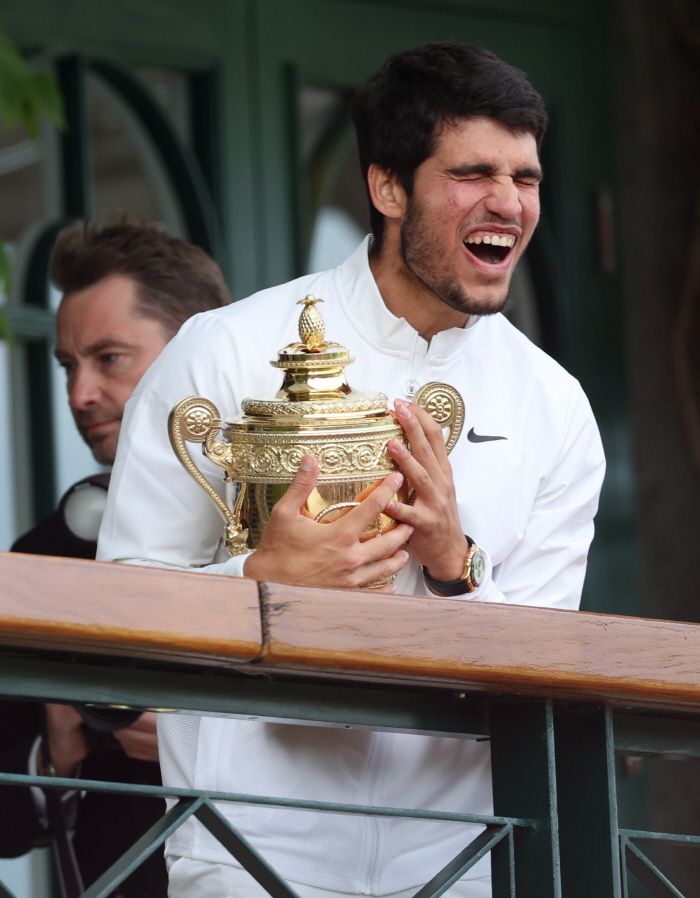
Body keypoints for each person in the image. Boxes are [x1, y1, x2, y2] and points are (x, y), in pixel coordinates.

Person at [98, 44, 606, 898]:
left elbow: (545, 669)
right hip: (244, 849)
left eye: (526, 177)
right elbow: (123, 601)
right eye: (473, 173)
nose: (509, 204)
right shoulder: (225, 350)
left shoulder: (556, 407)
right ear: (387, 188)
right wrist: (259, 579)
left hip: (464, 863)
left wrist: (455, 568)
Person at [0, 220, 230, 897]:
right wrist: (56, 750)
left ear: (201, 350)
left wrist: (210, 745)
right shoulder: (47, 552)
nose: (79, 395)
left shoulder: (304, 526)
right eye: (69, 365)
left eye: (109, 359)